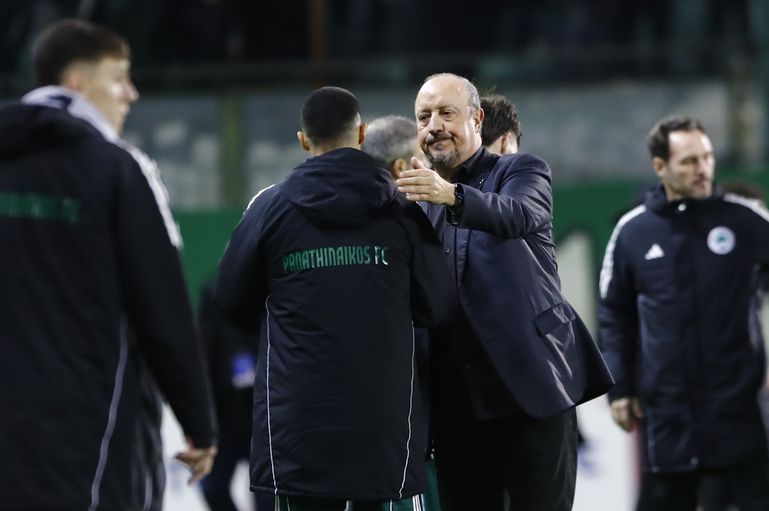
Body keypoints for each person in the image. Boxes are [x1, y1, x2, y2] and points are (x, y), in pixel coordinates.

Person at [0, 18, 217, 510]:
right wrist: (199, 424)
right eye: (119, 78)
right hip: (88, 442)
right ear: (77, 83)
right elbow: (162, 309)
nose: (131, 94)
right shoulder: (118, 169)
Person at [214, 86, 450, 511]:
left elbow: (230, 299)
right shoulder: (403, 210)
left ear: (303, 140)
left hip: (298, 428)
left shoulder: (268, 207)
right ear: (360, 133)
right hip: (384, 428)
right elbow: (435, 303)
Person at [395, 72, 613, 511]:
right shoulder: (419, 204)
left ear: (477, 119)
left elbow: (518, 215)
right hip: (458, 411)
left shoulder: (521, 170)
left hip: (532, 396)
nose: (434, 126)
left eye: (446, 113)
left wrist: (452, 196)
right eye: (424, 117)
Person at [598, 116, 769, 511]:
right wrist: (620, 388)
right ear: (660, 167)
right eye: (690, 161)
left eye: (707, 157)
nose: (703, 169)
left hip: (739, 409)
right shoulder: (632, 232)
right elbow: (614, 313)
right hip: (669, 413)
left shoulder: (745, 219)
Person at [198, 279, 274, 511]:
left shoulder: (270, 294)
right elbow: (205, 353)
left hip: (262, 415)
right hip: (225, 415)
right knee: (212, 487)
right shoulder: (212, 294)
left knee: (267, 497)